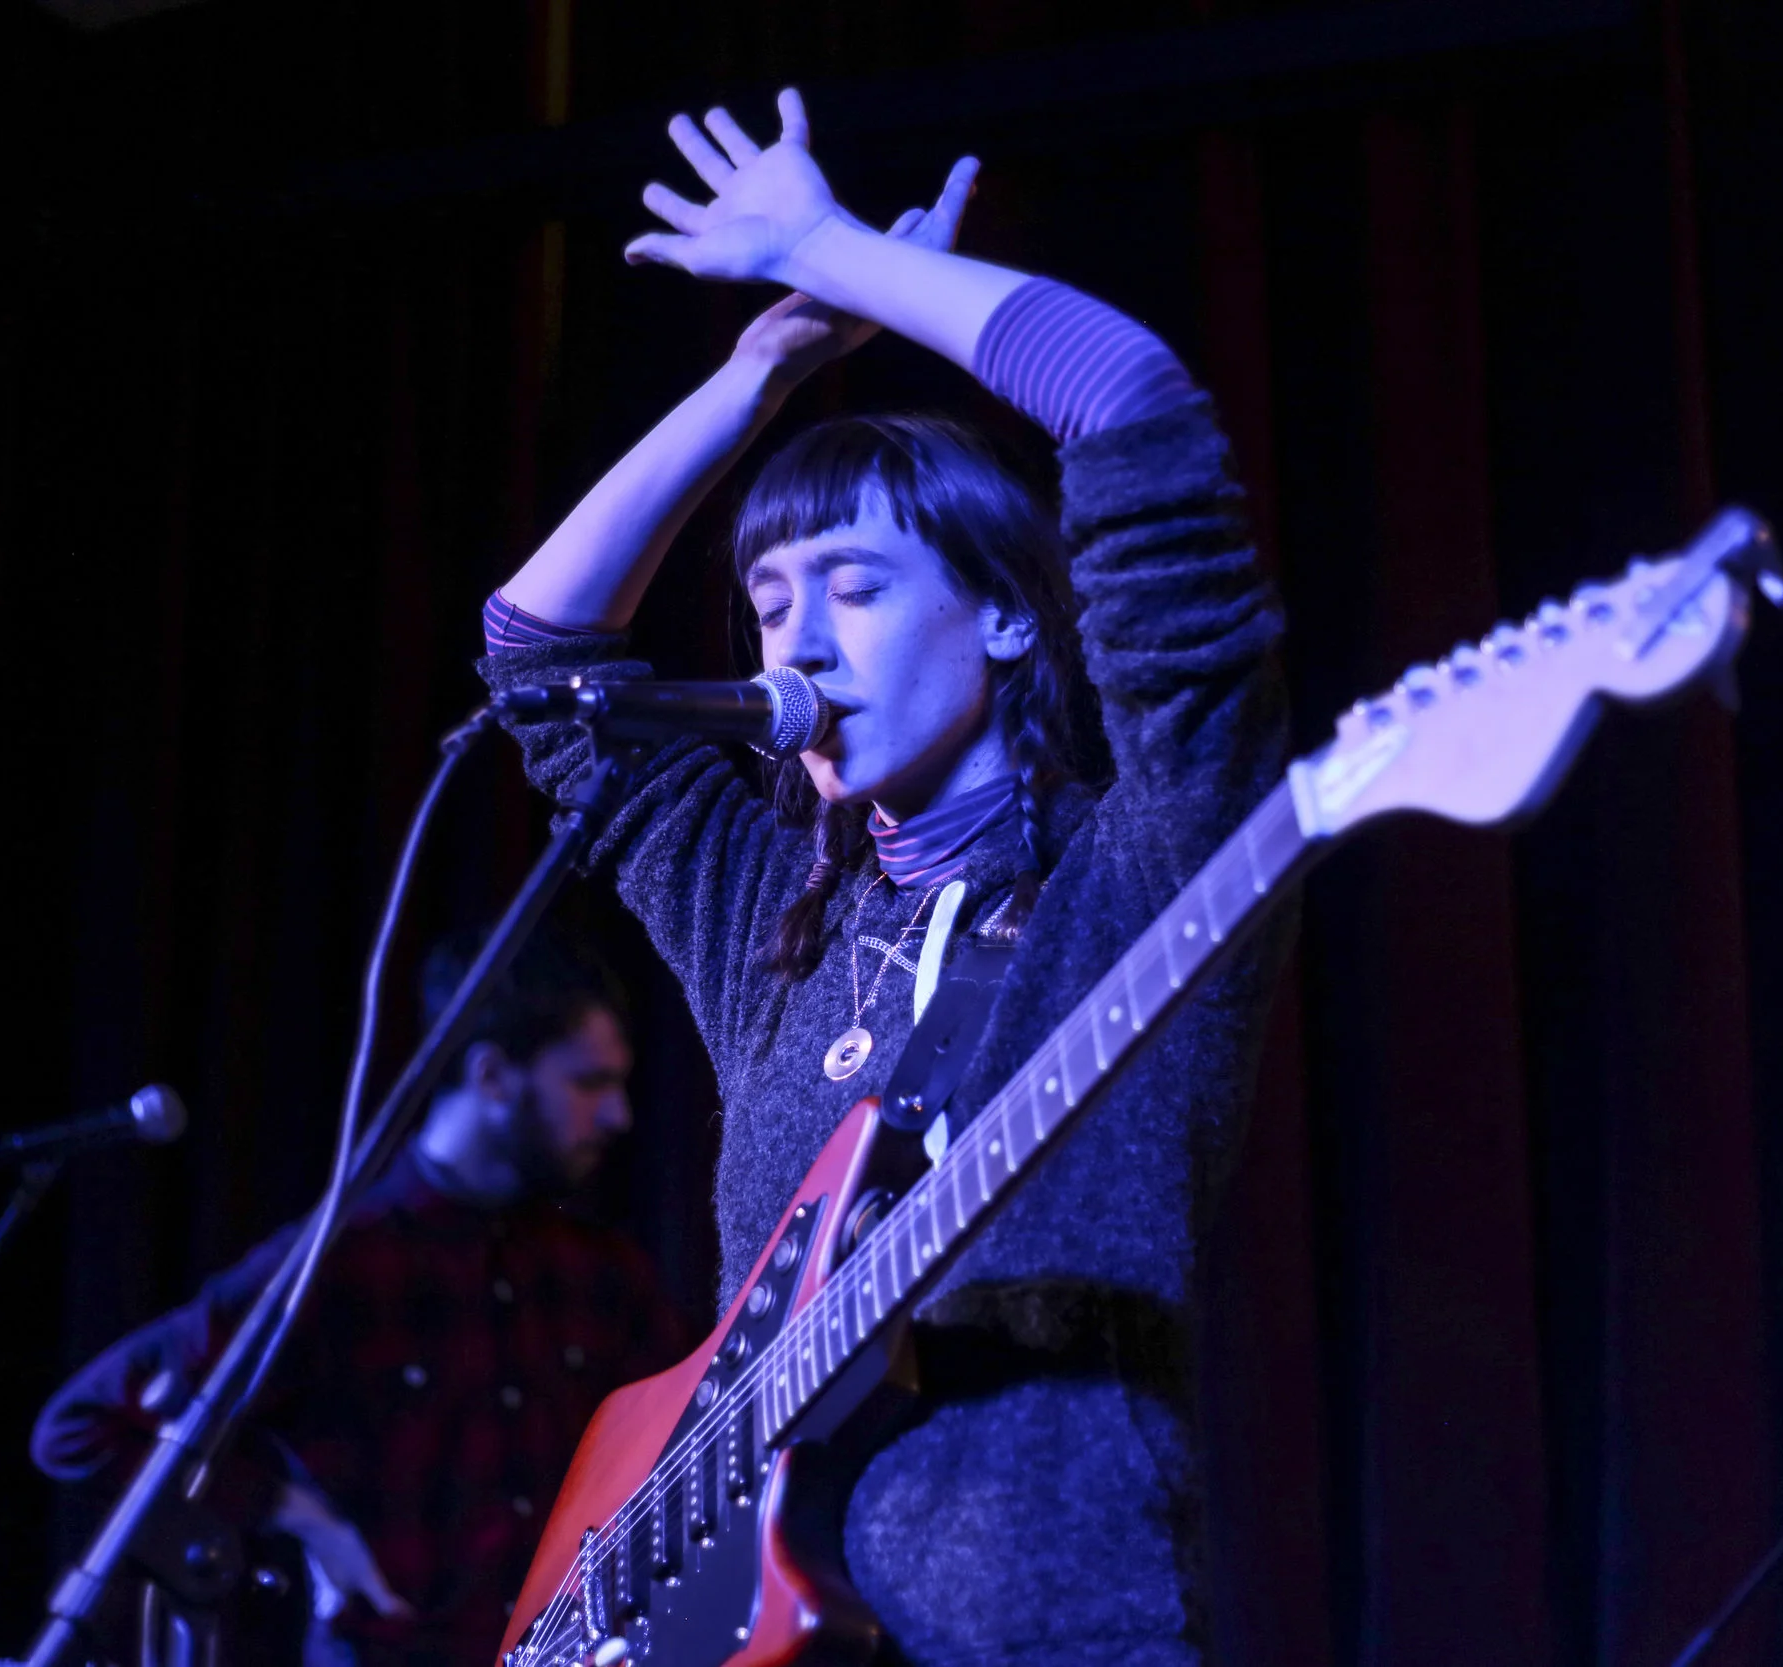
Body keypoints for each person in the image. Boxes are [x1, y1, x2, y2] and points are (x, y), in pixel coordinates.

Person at [478, 91, 1290, 1667]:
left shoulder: (1134, 868)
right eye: (769, 596)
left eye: (855, 583)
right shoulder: (772, 914)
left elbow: (1134, 415)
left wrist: (837, 250)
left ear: (1003, 619)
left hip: (1041, 1609)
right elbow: (536, 656)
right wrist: (758, 371)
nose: (798, 637)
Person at [31, 926, 691, 1667]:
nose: (617, 1116)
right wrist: (297, 1512)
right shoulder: (338, 1259)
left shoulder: (602, 1271)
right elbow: (79, 1424)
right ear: (493, 1075)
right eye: (589, 1082)